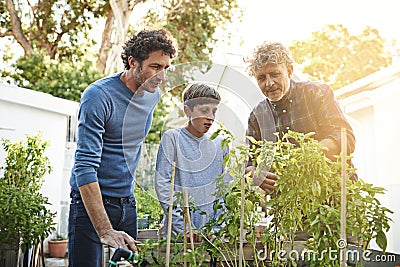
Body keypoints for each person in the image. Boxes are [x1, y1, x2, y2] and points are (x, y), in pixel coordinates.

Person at [68, 29, 178, 266]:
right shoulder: (98, 97)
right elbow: (84, 167)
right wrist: (105, 230)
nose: (161, 76)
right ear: (132, 62)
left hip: (126, 203)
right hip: (90, 207)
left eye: (166, 68)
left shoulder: (152, 95)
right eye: (155, 67)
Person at [244, 41, 356, 193]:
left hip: (335, 194)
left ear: (289, 71)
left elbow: (345, 138)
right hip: (291, 204)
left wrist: (308, 155)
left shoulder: (316, 93)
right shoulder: (257, 116)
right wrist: (254, 174)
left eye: (275, 74)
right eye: (261, 78)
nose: (269, 83)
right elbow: (248, 164)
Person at [155, 83, 230, 241]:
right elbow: (163, 187)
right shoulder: (172, 139)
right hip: (179, 237)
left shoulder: (220, 143)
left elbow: (223, 190)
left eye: (214, 111)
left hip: (212, 237)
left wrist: (218, 228)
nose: (210, 117)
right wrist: (184, 227)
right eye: (204, 110)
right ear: (187, 111)